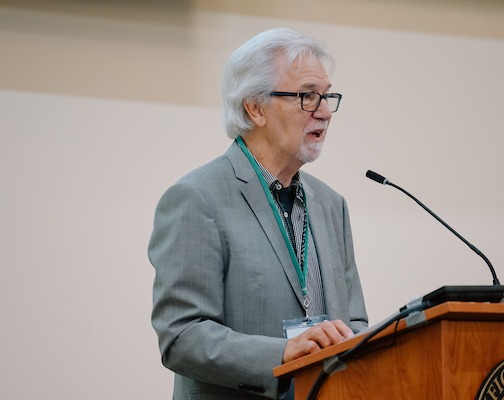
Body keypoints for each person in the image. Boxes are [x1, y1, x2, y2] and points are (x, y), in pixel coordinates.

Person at [149, 27, 368, 400]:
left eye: (327, 95)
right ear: (255, 107)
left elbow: (356, 321)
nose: (326, 112)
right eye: (308, 96)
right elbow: (182, 335)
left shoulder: (332, 205)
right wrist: (281, 354)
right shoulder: (196, 198)